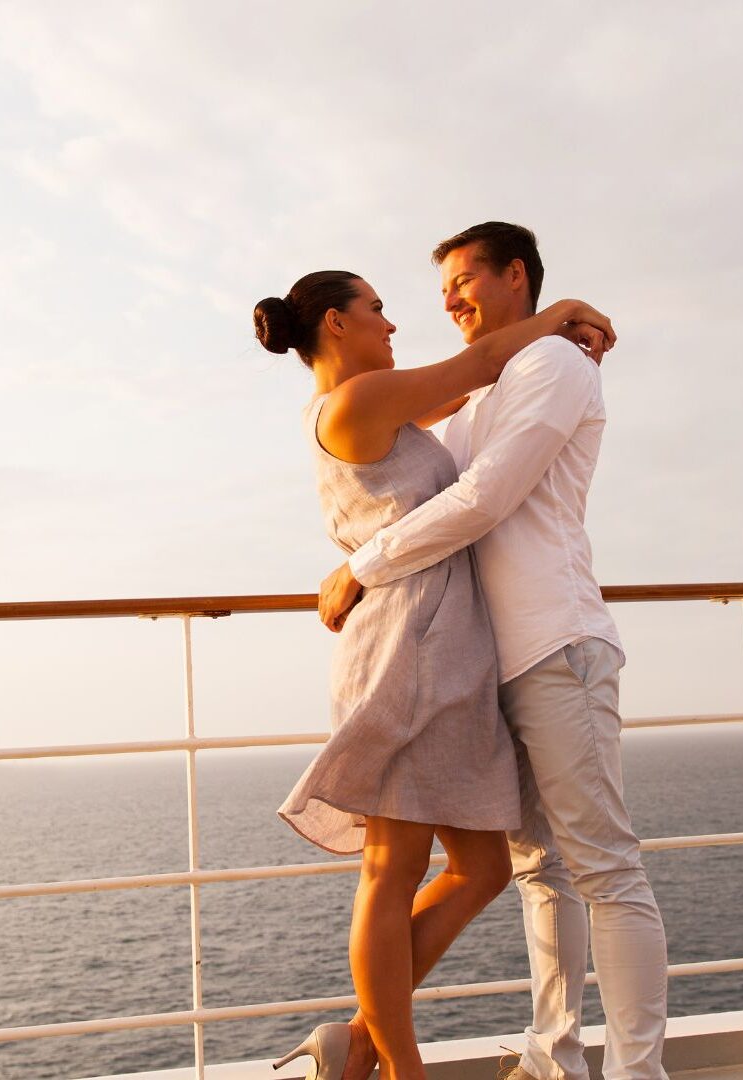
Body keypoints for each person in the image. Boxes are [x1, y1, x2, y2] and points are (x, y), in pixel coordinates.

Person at [319, 223, 670, 1080]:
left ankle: (635, 1073)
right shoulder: (487, 388)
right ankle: (554, 1057)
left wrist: (358, 567)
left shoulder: (553, 364)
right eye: (440, 287)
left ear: (516, 275)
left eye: (464, 277)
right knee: (541, 870)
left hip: (555, 644)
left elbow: (483, 499)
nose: (447, 299)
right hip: (488, 665)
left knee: (603, 870)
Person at [254, 270, 617, 1080]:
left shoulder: (383, 406)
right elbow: (482, 360)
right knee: (392, 867)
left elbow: (484, 398)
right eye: (376, 309)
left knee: (481, 866)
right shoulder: (355, 404)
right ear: (336, 325)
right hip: (410, 643)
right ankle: (400, 1067)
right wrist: (564, 313)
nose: (392, 322)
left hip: (444, 640)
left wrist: (553, 358)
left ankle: (358, 1038)